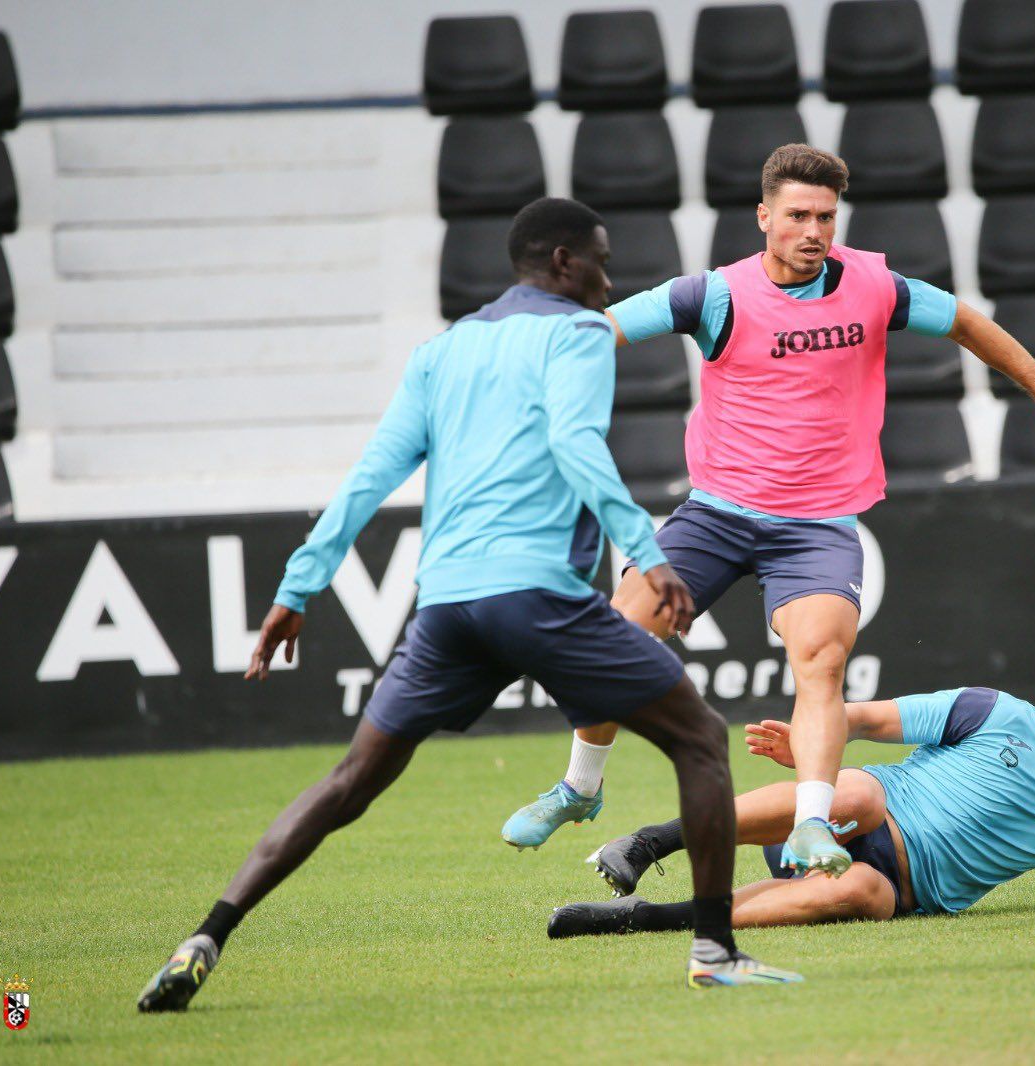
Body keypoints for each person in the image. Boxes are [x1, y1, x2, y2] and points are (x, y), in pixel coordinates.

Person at [136, 198, 799, 1010]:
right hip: (541, 597)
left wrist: (297, 587)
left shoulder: (440, 352)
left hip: (446, 607)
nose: (609, 277)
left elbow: (368, 478)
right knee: (699, 740)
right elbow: (574, 443)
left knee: (349, 782)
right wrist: (650, 556)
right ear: (561, 262)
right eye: (600, 259)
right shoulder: (581, 334)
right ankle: (713, 949)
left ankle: (207, 934)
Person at [502, 144, 1035, 880]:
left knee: (821, 664)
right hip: (718, 513)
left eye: (825, 215)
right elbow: (603, 329)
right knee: (615, 639)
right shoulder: (715, 295)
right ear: (764, 217)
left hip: (818, 524)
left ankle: (813, 823)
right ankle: (580, 787)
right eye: (797, 215)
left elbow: (966, 324)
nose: (813, 230)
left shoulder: (873, 286)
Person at [546, 635, 1035, 938]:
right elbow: (855, 714)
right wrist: (809, 749)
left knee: (861, 893)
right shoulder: (989, 710)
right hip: (842, 815)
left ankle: (638, 922)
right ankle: (648, 842)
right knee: (856, 794)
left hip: (900, 884)